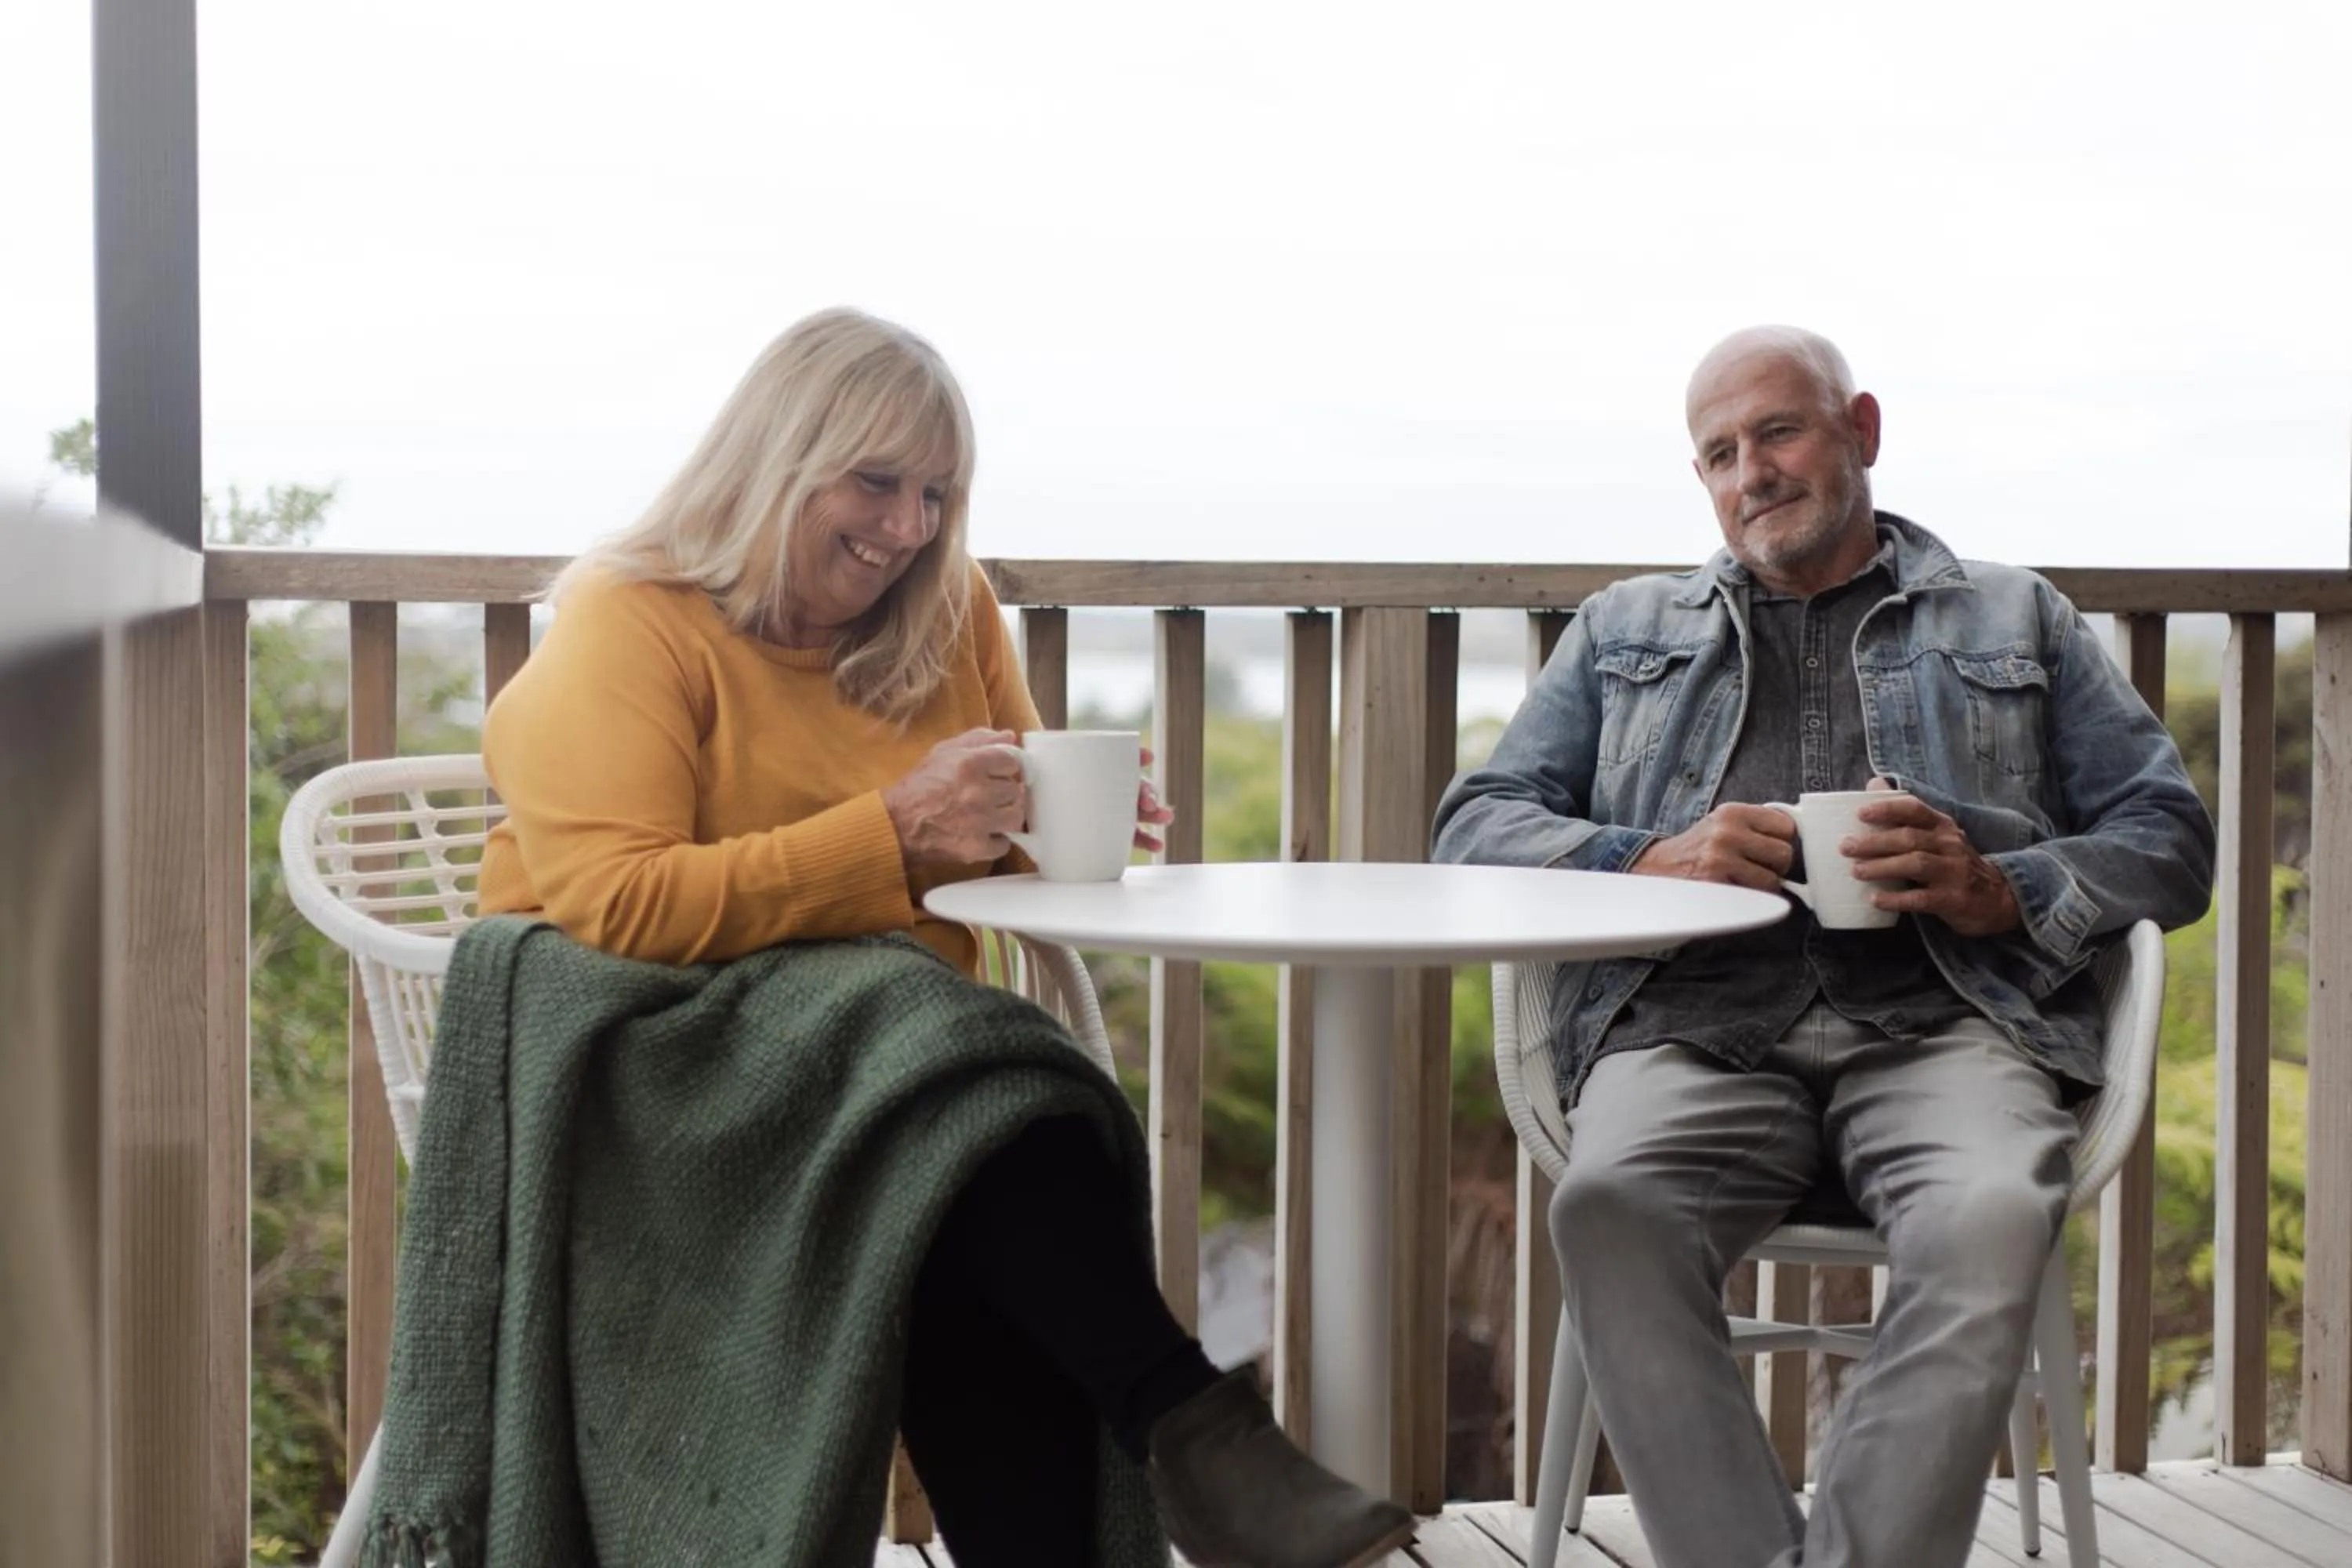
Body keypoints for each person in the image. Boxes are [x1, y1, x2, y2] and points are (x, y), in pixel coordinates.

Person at [477, 307, 1413, 1568]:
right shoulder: (630, 620)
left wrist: (1046, 820)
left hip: (890, 1076)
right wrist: (894, 834)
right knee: (996, 1127)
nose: (908, 527)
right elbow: (622, 905)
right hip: (661, 1068)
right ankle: (1197, 1433)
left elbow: (981, 825)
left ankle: (1195, 1441)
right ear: (777, 460)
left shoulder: (943, 605)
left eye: (935, 493)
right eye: (875, 483)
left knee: (983, 1150)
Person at [1432, 326, 2214, 1568]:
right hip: (1694, 1030)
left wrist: (1994, 885)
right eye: (1718, 453)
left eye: (1778, 432)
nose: (1752, 473)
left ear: (1861, 430)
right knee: (1611, 1205)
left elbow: (2169, 839)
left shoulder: (2018, 615)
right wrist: (1651, 859)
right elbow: (1473, 825)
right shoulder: (1627, 626)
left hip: (1949, 1028)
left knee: (1991, 1208)